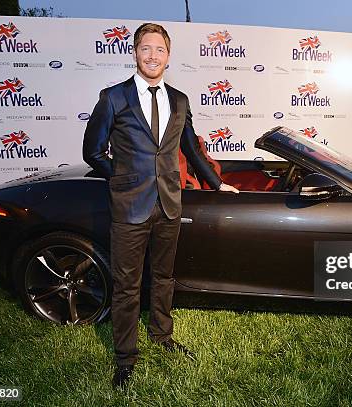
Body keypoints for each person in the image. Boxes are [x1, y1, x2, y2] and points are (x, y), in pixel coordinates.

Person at [82, 23, 239, 389]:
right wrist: (120, 178)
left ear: (168, 56)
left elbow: (192, 150)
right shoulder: (113, 98)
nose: (152, 56)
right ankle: (125, 356)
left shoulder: (180, 100)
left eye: (160, 50)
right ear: (135, 52)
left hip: (169, 203)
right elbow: (92, 151)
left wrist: (217, 183)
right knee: (126, 284)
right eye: (145, 48)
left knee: (165, 277)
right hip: (129, 207)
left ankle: (162, 336)